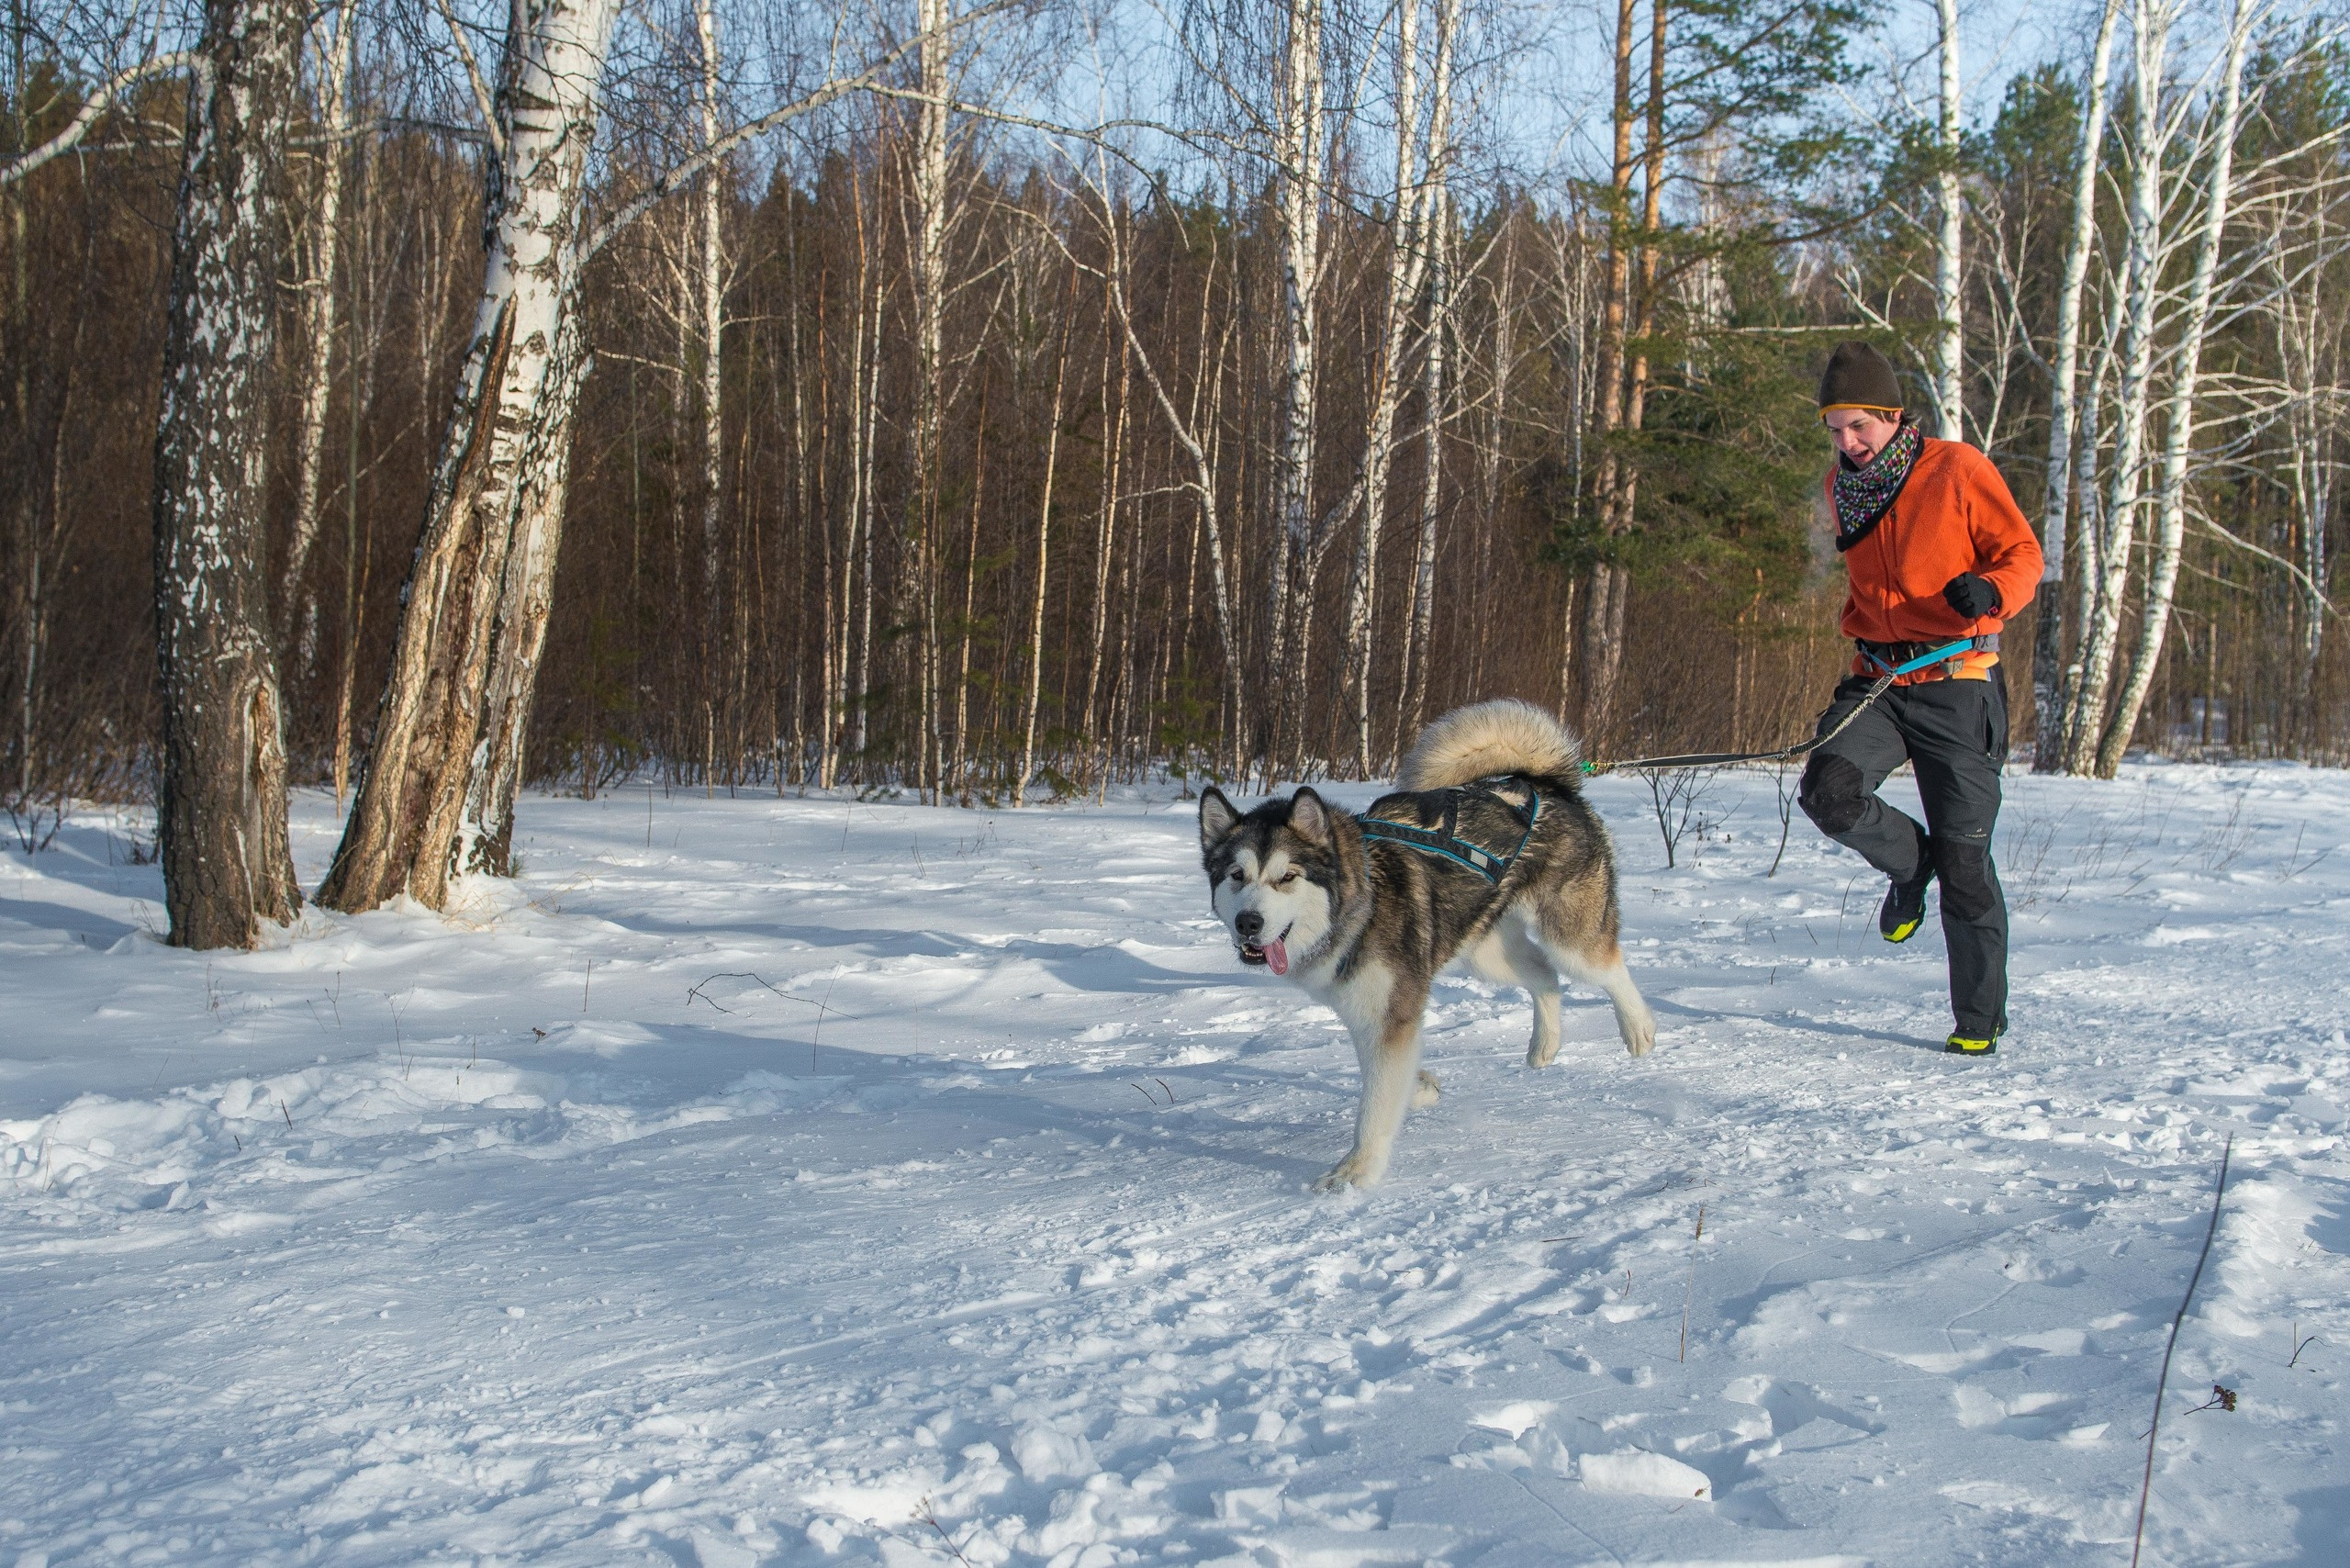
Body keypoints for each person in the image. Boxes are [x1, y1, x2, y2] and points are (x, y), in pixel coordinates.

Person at [1796, 341, 2042, 1056]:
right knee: (1828, 790)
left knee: (1967, 860)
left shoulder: (1958, 470)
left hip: (1958, 681)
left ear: (1893, 416)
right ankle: (1911, 866)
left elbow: (2023, 554)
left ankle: (1978, 1021)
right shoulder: (1840, 487)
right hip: (1878, 679)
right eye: (1835, 430)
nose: (1847, 444)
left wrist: (1991, 590)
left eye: (1859, 428)